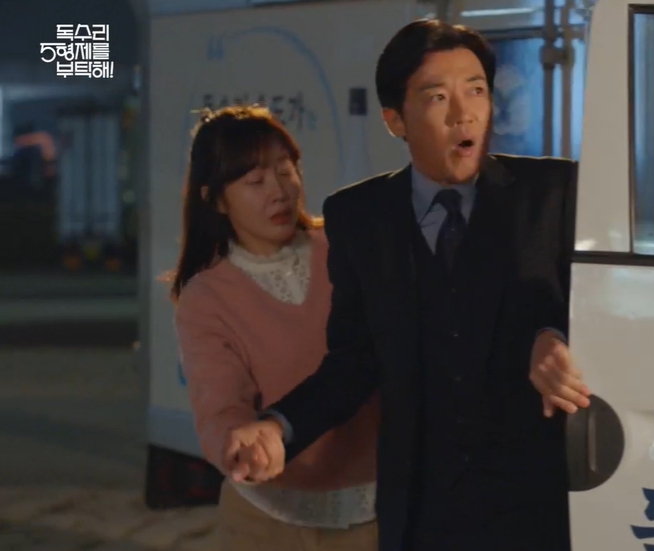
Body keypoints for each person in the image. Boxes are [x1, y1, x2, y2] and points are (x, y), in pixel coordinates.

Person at [224, 20, 591, 551]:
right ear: (395, 119)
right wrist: (279, 427)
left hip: (535, 507)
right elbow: (353, 361)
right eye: (437, 97)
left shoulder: (552, 194)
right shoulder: (358, 216)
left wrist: (555, 334)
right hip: (421, 512)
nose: (463, 113)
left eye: (476, 91)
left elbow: (606, 308)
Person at [170, 104, 380, 551]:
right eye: (255, 181)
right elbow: (219, 404)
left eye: (286, 171)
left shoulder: (347, 251)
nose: (280, 191)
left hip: (373, 513)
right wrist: (242, 443)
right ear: (216, 199)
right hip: (266, 521)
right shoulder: (207, 296)